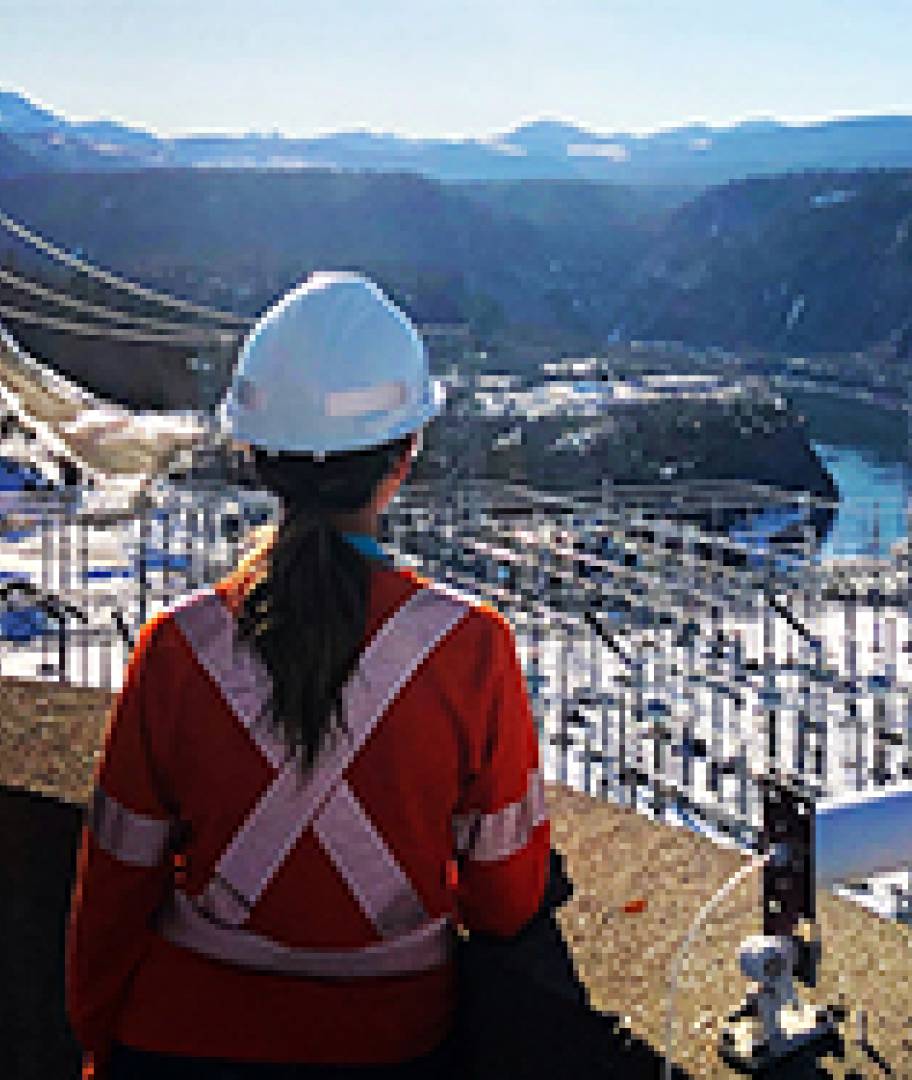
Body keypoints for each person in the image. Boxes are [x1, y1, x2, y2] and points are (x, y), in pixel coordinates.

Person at [66, 272, 550, 1078]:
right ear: (406, 456)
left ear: (256, 456)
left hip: (176, 1039)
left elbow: (114, 887)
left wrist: (97, 1040)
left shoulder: (177, 648)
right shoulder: (470, 647)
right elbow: (504, 902)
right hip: (388, 1043)